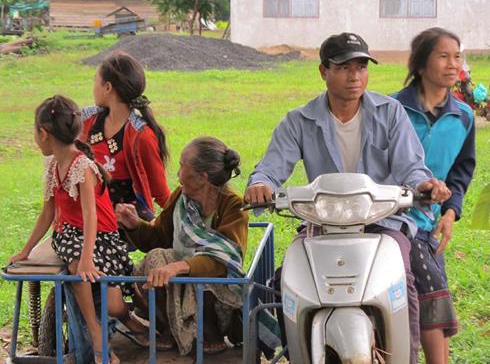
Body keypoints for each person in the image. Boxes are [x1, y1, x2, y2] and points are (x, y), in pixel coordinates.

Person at [244, 32, 452, 364]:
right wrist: (260, 184)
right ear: (323, 71)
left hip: (382, 222)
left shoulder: (390, 113)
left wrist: (425, 184)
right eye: (343, 67)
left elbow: (411, 166)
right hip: (322, 227)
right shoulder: (299, 120)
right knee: (286, 280)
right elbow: (270, 167)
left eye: (361, 66)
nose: (354, 76)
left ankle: (406, 358)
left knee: (404, 280)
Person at [8, 95, 149, 364]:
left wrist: (88, 258)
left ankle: (128, 319)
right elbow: (48, 213)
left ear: (44, 133)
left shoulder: (82, 166)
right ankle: (96, 335)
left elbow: (90, 214)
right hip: (72, 234)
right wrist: (26, 250)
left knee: (115, 305)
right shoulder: (52, 167)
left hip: (103, 237)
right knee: (75, 266)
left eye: (34, 133)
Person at [116, 136, 249, 355]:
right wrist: (134, 225)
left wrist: (179, 267)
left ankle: (210, 330)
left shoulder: (233, 205)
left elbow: (224, 260)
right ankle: (170, 329)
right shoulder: (180, 197)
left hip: (218, 296)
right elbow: (159, 238)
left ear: (201, 178)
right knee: (158, 257)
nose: (178, 174)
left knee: (194, 274)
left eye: (181, 166)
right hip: (176, 284)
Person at [392, 27, 476, 364]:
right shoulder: (392, 109)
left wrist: (450, 213)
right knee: (424, 293)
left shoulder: (463, 116)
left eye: (457, 56)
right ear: (421, 63)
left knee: (428, 295)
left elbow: (461, 172)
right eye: (443, 55)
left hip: (430, 223)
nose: (453, 64)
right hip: (393, 219)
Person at [80, 51, 170, 223]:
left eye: (94, 81)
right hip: (88, 210)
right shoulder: (87, 121)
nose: (93, 87)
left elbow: (160, 192)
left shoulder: (142, 137)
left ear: (107, 88)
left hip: (125, 218)